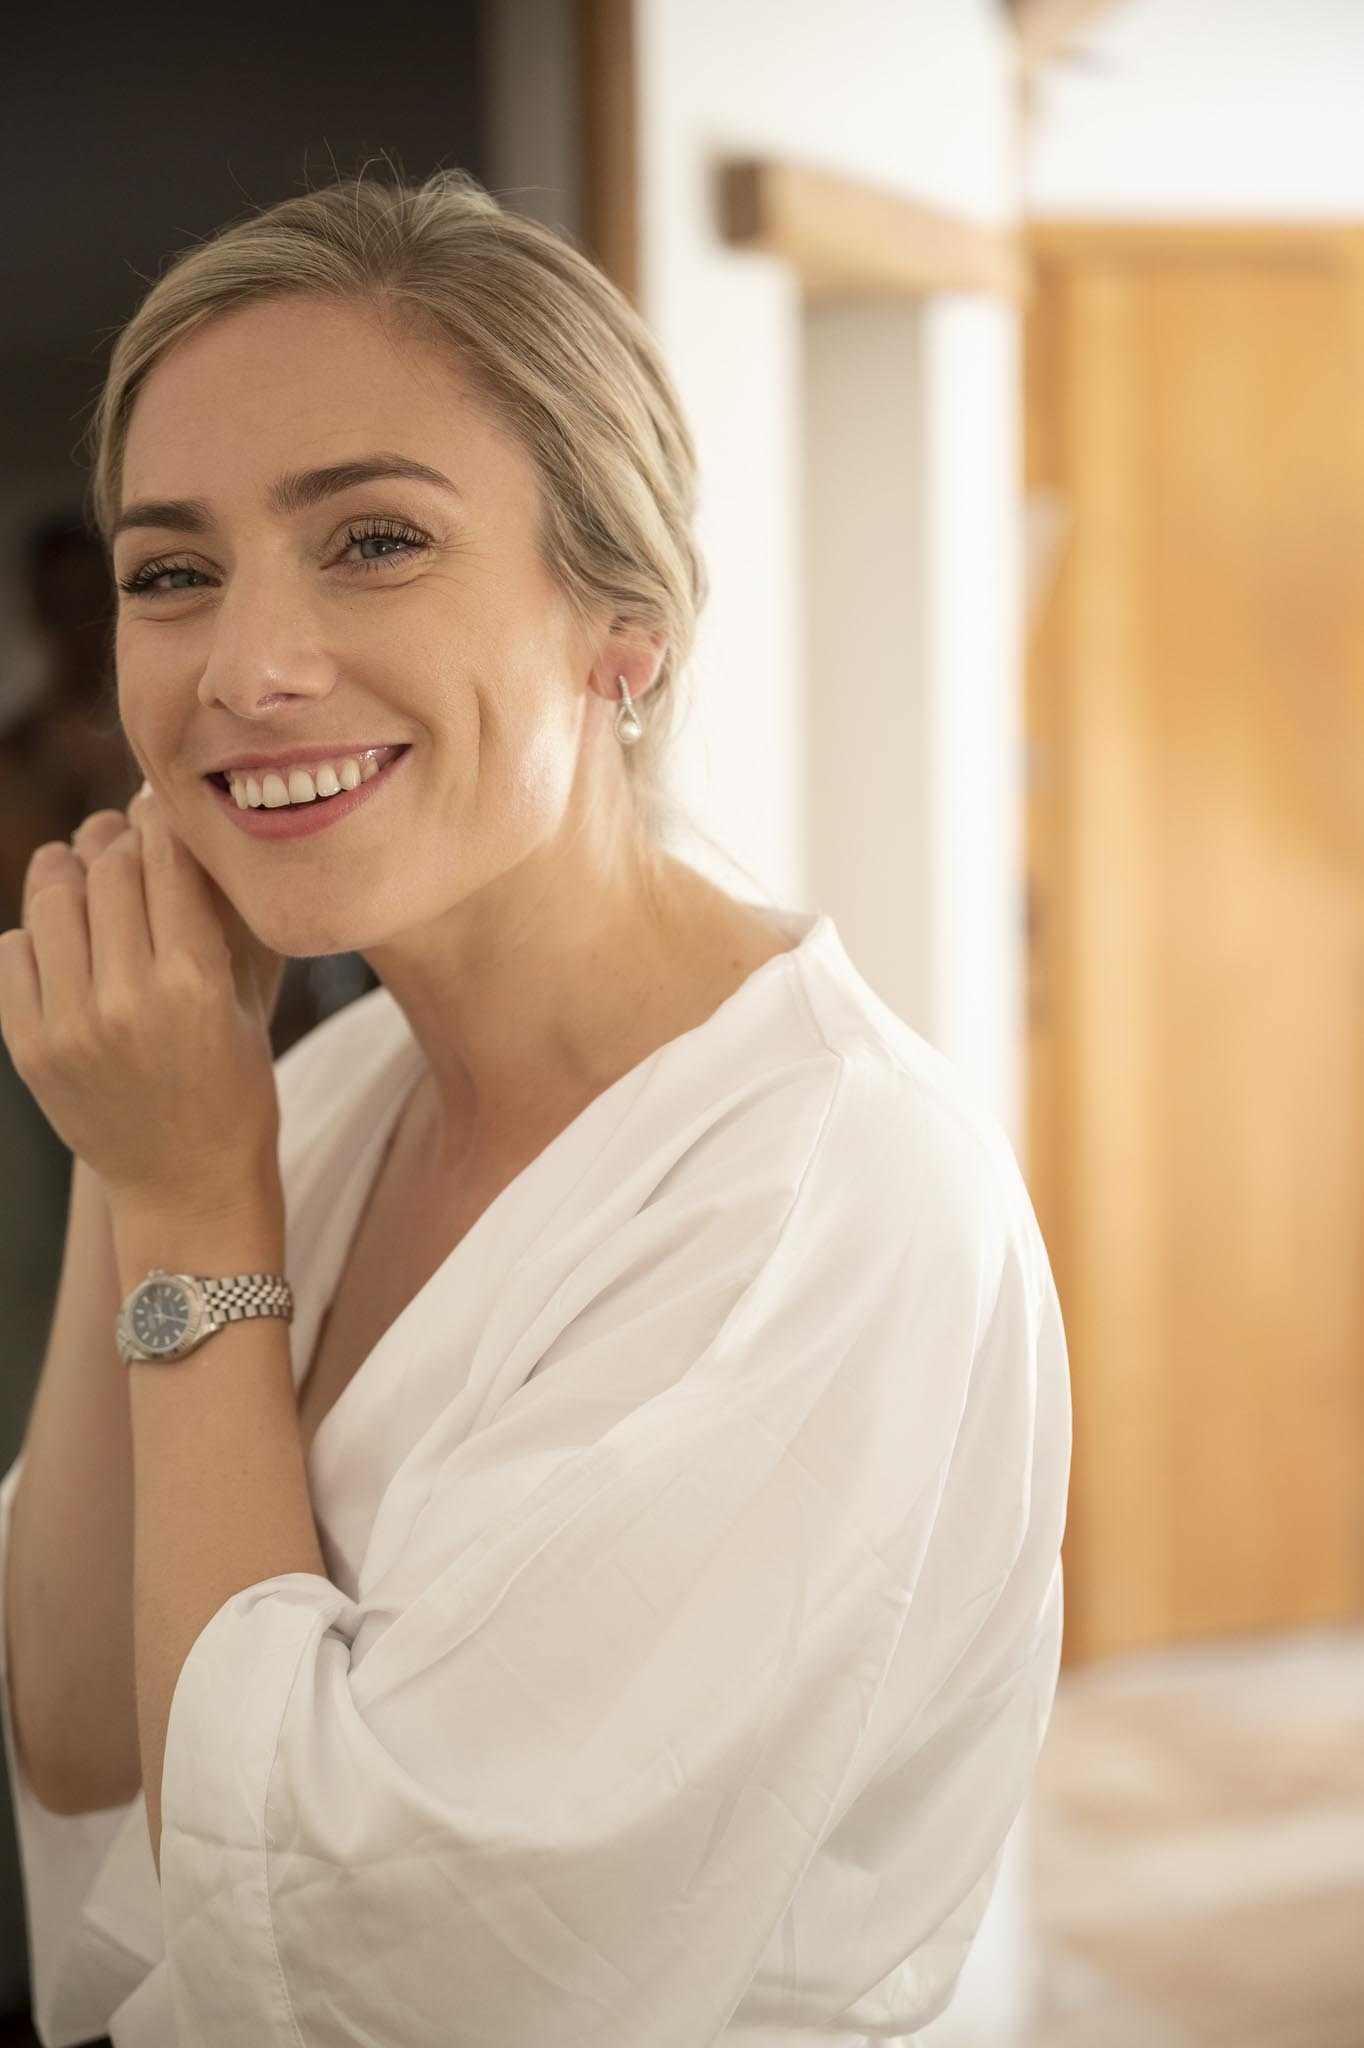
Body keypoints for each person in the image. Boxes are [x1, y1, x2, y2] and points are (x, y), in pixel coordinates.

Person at [0, 164, 1070, 2046]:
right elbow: (89, 1732)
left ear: (622, 630)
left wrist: (186, 1211)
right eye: (172, 573)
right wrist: (151, 1106)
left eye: (374, 542)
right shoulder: (310, 1104)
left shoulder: (826, 1203)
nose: (245, 668)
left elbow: (368, 1973)